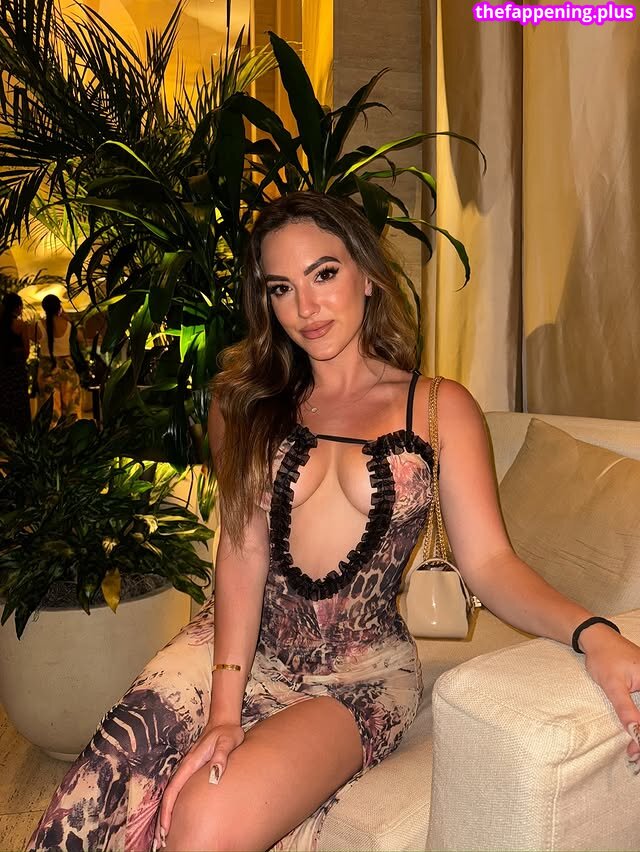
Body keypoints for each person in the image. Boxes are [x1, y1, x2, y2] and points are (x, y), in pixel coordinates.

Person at [27, 192, 640, 852]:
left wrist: (592, 633)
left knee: (203, 822)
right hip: (234, 648)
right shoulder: (246, 402)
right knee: (115, 771)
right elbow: (242, 554)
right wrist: (223, 713)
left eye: (323, 274)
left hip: (357, 678)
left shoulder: (439, 408)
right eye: (281, 288)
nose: (306, 308)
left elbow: (490, 566)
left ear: (367, 275)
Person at [34, 294, 84, 422]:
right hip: (68, 370)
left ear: (44, 308)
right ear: (59, 307)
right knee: (71, 413)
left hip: (47, 371)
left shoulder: (38, 325)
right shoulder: (68, 325)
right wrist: (67, 318)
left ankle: (51, 435)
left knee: (50, 415)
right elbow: (81, 339)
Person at [0, 292, 31, 434]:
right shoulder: (20, 325)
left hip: (2, 369)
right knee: (19, 404)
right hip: (17, 370)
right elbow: (26, 350)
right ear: (18, 307)